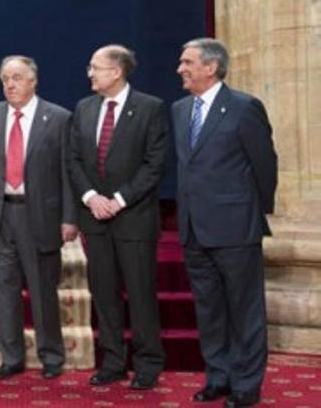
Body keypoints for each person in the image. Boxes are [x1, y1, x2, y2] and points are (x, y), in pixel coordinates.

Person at [173, 38, 277, 408]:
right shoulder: (180, 109)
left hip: (235, 227)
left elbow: (265, 166)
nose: (180, 69)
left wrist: (251, 212)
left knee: (245, 310)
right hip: (193, 228)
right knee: (210, 309)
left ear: (211, 67)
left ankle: (247, 385)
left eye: (187, 62)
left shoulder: (244, 107)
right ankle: (218, 376)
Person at [67, 45, 168, 389]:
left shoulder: (150, 108)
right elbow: (74, 160)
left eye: (95, 67)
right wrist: (92, 198)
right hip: (95, 218)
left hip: (134, 219)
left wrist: (120, 199)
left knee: (140, 295)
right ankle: (112, 361)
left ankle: (147, 364)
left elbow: (154, 164)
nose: (90, 73)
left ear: (117, 72)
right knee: (104, 294)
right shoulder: (83, 108)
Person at [0, 55, 77, 381]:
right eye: (5, 78)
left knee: (43, 290)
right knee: (6, 291)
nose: (10, 84)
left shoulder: (58, 118)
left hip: (40, 216)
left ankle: (51, 355)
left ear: (34, 81)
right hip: (3, 214)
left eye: (17, 77)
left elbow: (67, 173)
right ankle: (11, 356)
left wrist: (69, 217)